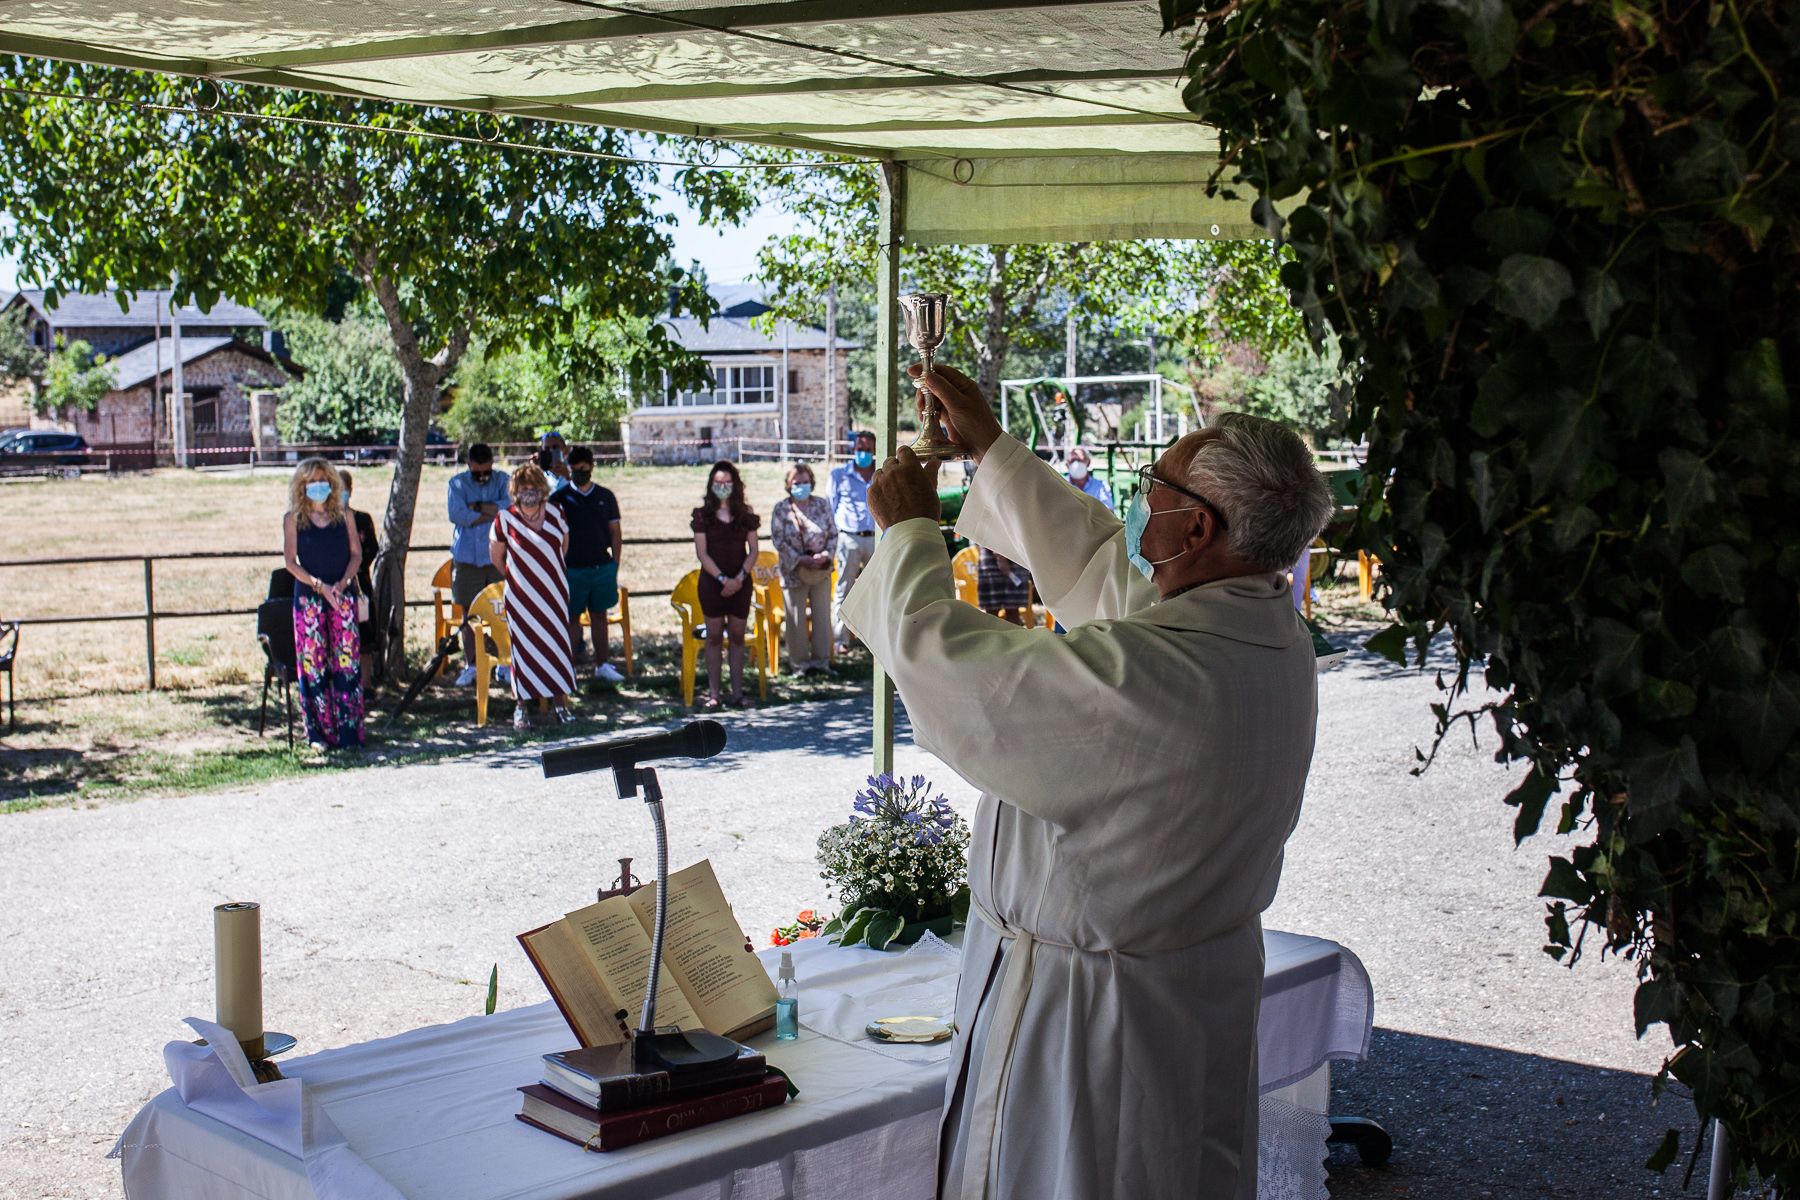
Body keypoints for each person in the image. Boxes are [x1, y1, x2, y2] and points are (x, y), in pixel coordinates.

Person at [844, 363, 1335, 1200]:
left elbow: (942, 667)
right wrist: (994, 451)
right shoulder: (1261, 635)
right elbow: (1108, 579)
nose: (1141, 499)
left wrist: (907, 533)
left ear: (1197, 531)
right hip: (1188, 999)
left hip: (1090, 1033)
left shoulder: (1157, 678)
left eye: (1158, 487)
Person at [281, 459, 364, 751]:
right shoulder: (293, 519)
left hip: (342, 595)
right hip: (309, 599)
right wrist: (319, 586)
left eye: (323, 480)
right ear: (302, 487)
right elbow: (290, 562)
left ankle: (349, 731)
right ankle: (318, 732)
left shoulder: (344, 515)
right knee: (312, 664)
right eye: (312, 481)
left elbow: (357, 554)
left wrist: (341, 584)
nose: (319, 486)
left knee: (347, 662)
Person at [489, 462, 577, 731]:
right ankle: (521, 709)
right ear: (515, 490)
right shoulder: (504, 519)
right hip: (521, 597)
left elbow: (563, 546)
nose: (529, 492)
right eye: (524, 488)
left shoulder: (555, 513)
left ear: (542, 489)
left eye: (534, 488)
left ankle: (560, 705)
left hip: (553, 594)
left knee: (557, 647)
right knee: (523, 651)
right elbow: (496, 556)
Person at [553, 444, 625, 684]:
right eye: (574, 469)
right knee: (571, 618)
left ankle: (602, 664)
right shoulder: (559, 499)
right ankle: (569, 667)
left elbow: (615, 532)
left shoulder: (605, 496)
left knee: (599, 616)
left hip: (601, 567)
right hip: (571, 569)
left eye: (583, 468)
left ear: (592, 467)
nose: (579, 473)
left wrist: (614, 563)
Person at [690, 459, 760, 708]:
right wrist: (722, 579)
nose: (723, 486)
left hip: (740, 584)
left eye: (728, 482)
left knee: (738, 637)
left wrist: (739, 578)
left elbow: (753, 550)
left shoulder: (747, 514)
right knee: (714, 638)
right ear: (711, 484)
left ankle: (738, 693)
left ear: (736, 484)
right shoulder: (702, 516)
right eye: (718, 482)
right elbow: (702, 553)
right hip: (712, 585)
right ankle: (714, 695)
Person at [446, 443, 510, 687]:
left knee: (502, 612)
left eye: (486, 472)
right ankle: (472, 664)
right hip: (467, 559)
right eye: (477, 473)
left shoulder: (503, 480)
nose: (483, 477)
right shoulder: (457, 484)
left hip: (497, 557)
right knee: (468, 614)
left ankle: (503, 663)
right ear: (468, 465)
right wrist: (491, 511)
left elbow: (508, 508)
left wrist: (477, 508)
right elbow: (458, 515)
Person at [768, 463, 836, 675]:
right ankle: (799, 664)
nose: (801, 486)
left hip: (821, 570)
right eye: (797, 483)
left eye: (805, 482)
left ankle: (822, 661)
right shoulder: (782, 509)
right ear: (789, 485)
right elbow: (778, 540)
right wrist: (799, 559)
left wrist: (824, 555)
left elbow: (833, 533)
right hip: (793, 571)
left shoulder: (822, 505)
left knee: (822, 616)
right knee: (795, 618)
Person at [827, 430, 879, 655]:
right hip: (848, 538)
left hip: (875, 538)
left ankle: (875, 639)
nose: (863, 453)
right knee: (844, 589)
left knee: (876, 590)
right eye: (860, 449)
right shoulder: (839, 475)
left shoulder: (881, 474)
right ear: (853, 449)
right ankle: (841, 639)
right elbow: (830, 507)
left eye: (868, 450)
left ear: (874, 451)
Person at [974, 545, 1032, 625]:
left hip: (1011, 556)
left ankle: (1010, 636)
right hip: (994, 559)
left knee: (1011, 609)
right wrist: (1000, 557)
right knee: (994, 611)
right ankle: (1004, 636)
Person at [1064, 445, 1113, 509]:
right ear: (1067, 465)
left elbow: (1107, 512)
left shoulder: (1101, 486)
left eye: (1079, 460)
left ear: (1088, 462)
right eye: (1072, 461)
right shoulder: (1060, 485)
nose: (1076, 464)